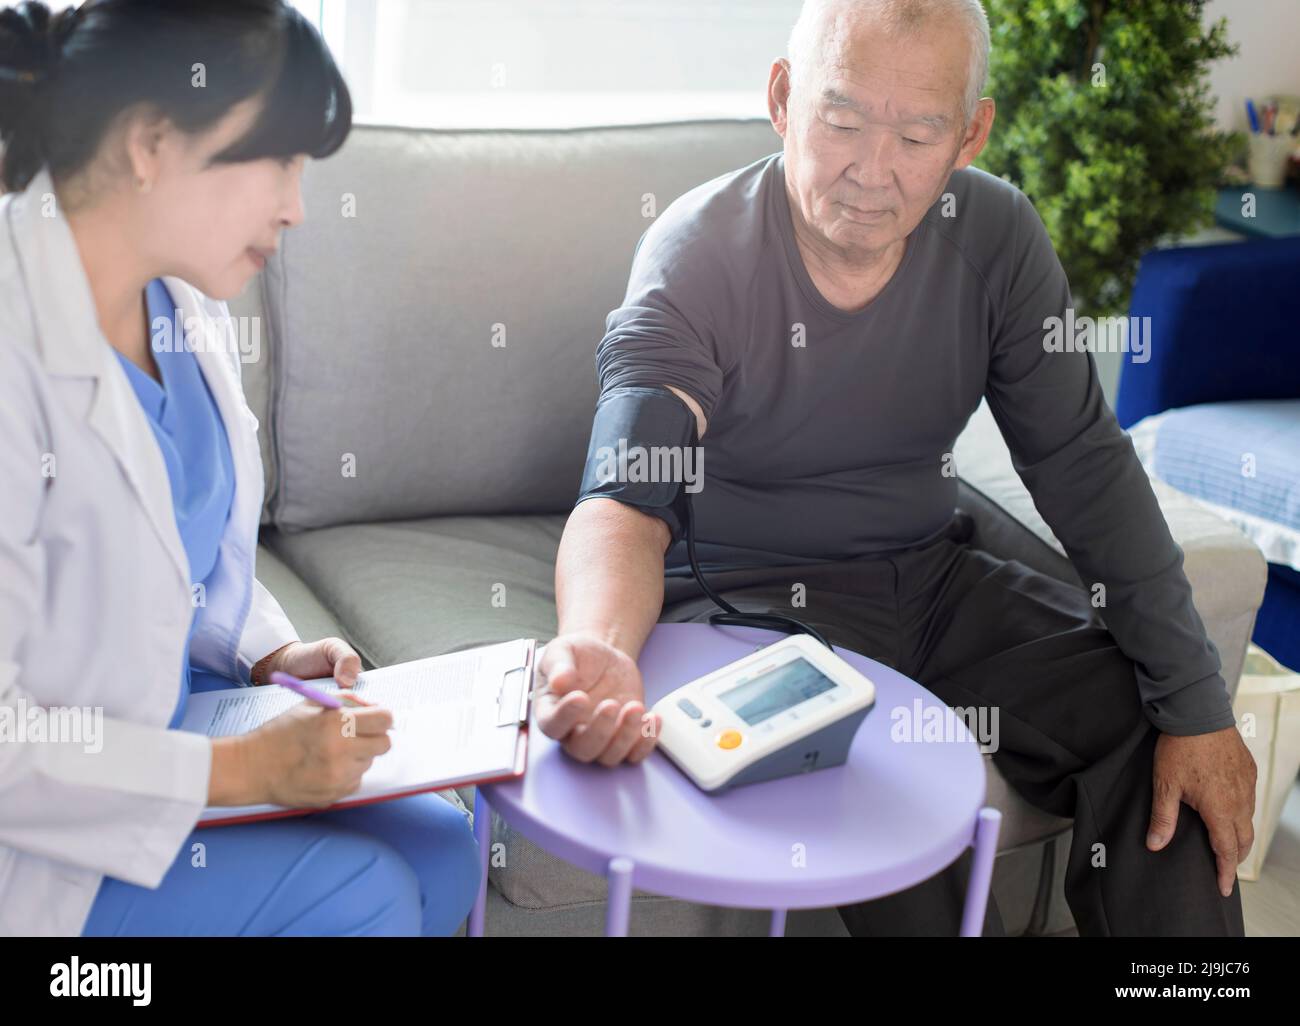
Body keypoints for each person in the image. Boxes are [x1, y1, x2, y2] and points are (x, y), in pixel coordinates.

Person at [536, 0, 1256, 936]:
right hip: (753, 609)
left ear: (969, 134)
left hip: (934, 582)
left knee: (1160, 716)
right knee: (875, 805)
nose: (872, 173)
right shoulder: (695, 256)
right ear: (784, 100)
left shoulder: (996, 237)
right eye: (841, 121)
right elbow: (624, 502)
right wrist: (598, 645)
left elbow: (1083, 463)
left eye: (917, 135)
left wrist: (1200, 707)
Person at [0, 0, 479, 937]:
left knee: (443, 845)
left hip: (173, 730)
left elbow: (183, 545)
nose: (297, 206)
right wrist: (244, 773)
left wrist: (268, 652)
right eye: (281, 161)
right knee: (364, 894)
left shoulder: (179, 302)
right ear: (151, 141)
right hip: (47, 836)